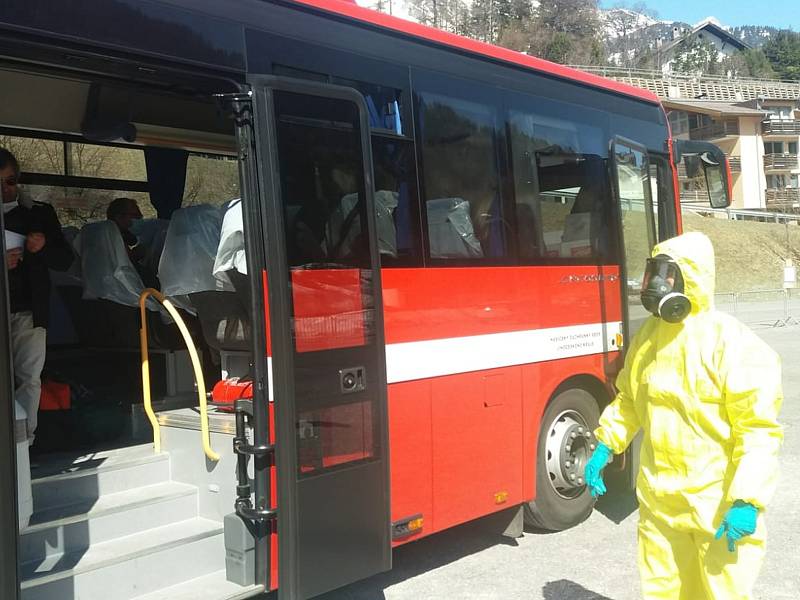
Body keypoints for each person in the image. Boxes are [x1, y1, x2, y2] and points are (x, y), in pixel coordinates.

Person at [583, 231, 783, 600]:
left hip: (717, 504)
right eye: (654, 273)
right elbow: (630, 400)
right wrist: (605, 445)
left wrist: (747, 500)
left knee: (723, 591)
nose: (658, 284)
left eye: (668, 275)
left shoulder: (732, 345)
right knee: (662, 589)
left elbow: (757, 431)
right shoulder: (648, 338)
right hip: (660, 502)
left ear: (693, 278)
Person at [1, 148, 74, 439]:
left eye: (9, 182)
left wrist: (43, 248)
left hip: (31, 309)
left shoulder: (39, 213)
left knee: (29, 380)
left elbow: (65, 260)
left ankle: (23, 443)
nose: (5, 190)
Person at [106, 197, 157, 288]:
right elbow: (124, 266)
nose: (140, 219)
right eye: (135, 216)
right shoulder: (110, 238)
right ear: (119, 217)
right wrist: (138, 253)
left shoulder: (115, 237)